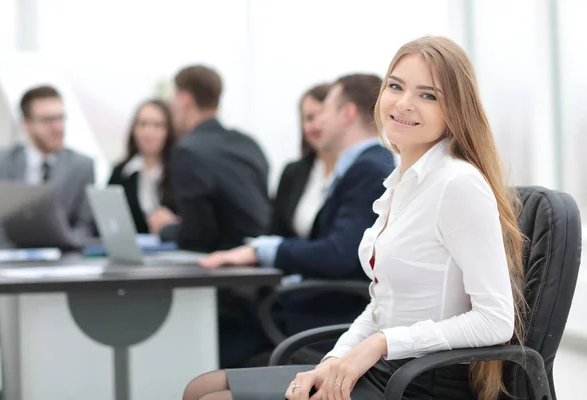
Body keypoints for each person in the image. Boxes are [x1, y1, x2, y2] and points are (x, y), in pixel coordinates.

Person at [183, 36, 525, 400]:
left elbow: (496, 320)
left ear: (455, 109)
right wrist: (334, 358)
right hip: (382, 368)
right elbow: (381, 307)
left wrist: (381, 344)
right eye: (395, 86)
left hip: (421, 381)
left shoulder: (457, 184)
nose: (404, 103)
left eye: (428, 95)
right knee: (199, 388)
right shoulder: (402, 183)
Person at [200, 74, 396, 368]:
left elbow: (339, 254)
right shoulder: (362, 165)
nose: (319, 122)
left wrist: (261, 251)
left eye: (325, 111)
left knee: (214, 340)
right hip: (316, 303)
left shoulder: (367, 168)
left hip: (326, 312)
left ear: (347, 114)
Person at [149, 65, 271, 252]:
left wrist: (165, 228)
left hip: (223, 269)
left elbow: (197, 237)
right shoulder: (249, 145)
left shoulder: (187, 151)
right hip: (260, 261)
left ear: (184, 99)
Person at [0, 85, 95, 247]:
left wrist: (68, 244)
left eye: (60, 118)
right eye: (48, 120)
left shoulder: (82, 166)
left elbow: (85, 225)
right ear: (26, 124)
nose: (58, 127)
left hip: (62, 257)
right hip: (7, 257)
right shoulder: (2, 162)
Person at [271, 83, 333, 239]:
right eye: (309, 118)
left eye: (323, 114)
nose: (317, 124)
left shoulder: (358, 171)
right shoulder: (293, 172)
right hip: (289, 263)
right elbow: (274, 230)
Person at [108, 99, 177, 234]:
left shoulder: (181, 171)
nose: (149, 132)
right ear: (134, 129)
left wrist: (174, 223)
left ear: (168, 131)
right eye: (143, 124)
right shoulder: (120, 173)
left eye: (157, 125)